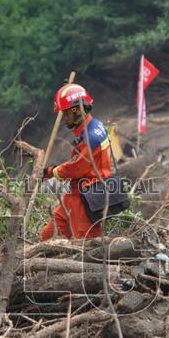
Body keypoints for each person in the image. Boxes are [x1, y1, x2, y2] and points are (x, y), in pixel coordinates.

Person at [39, 82, 113, 241]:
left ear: (78, 110)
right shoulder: (93, 126)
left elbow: (76, 168)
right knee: (49, 235)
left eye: (66, 113)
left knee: (87, 243)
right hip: (76, 193)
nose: (65, 118)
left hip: (87, 195)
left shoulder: (90, 137)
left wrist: (51, 171)